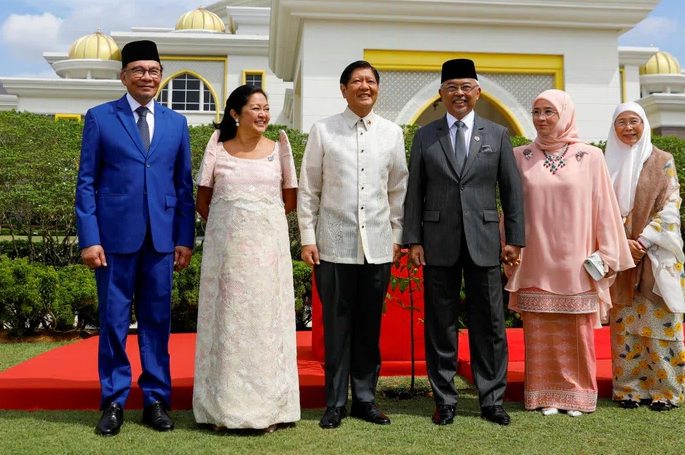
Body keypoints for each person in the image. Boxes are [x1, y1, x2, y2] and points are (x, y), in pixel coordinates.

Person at [75, 40, 195, 437]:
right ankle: (113, 401)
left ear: (161, 77)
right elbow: (86, 182)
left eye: (154, 71)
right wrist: (89, 238)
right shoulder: (100, 117)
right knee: (113, 320)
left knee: (157, 320)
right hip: (113, 240)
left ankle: (156, 400)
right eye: (139, 71)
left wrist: (185, 238)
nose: (147, 77)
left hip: (162, 240)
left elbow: (183, 187)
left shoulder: (176, 123)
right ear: (124, 76)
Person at [404, 58, 524, 427]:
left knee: (489, 323)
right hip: (437, 241)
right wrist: (413, 240)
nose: (459, 93)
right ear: (441, 94)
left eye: (466, 87)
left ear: (478, 92)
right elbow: (414, 192)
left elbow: (512, 191)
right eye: (452, 87)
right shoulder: (425, 135)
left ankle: (492, 400)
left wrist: (514, 239)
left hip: (484, 241)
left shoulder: (497, 134)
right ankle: (445, 400)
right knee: (440, 324)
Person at [504, 90, 633, 417]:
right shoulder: (520, 156)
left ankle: (577, 395)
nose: (541, 118)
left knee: (577, 333)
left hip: (577, 262)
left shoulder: (590, 156)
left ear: (565, 114)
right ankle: (543, 395)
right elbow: (511, 208)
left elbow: (604, 207)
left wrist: (608, 253)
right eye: (536, 111)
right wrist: (506, 246)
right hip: (535, 260)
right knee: (539, 331)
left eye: (549, 111)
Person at [298, 61, 408, 430]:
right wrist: (308, 238)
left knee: (368, 328)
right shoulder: (323, 130)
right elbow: (309, 189)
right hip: (333, 245)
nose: (365, 86)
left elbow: (398, 190)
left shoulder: (392, 133)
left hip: (377, 245)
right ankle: (334, 403)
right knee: (336, 327)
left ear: (377, 88)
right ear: (343, 89)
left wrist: (397, 236)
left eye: (371, 81)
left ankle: (365, 400)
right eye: (357, 81)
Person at [192, 85, 300, 432]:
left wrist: (258, 225)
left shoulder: (280, 148)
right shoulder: (217, 147)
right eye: (255, 108)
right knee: (229, 327)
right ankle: (222, 411)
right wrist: (233, 225)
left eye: (266, 108)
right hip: (227, 258)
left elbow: (289, 200)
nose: (263, 114)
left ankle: (269, 410)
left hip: (268, 258)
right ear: (235, 114)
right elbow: (203, 201)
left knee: (265, 327)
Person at [605, 102, 685, 411]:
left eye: (634, 121)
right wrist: (620, 243)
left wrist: (641, 240)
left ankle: (666, 391)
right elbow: (598, 209)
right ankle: (629, 390)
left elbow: (671, 205)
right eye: (621, 122)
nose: (628, 128)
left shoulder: (663, 160)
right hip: (620, 255)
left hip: (655, 254)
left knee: (660, 323)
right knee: (625, 326)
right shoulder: (604, 163)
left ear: (644, 124)